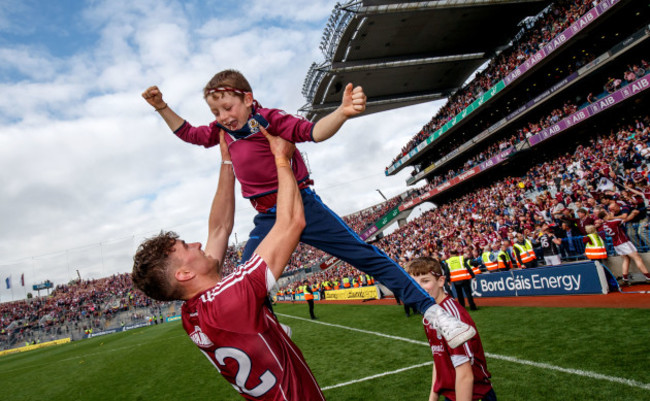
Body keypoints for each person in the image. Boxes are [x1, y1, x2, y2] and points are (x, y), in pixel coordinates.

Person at [142, 70, 475, 348]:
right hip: (267, 218)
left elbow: (311, 132)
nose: (223, 118)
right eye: (216, 113)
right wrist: (162, 107)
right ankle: (269, 329)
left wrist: (341, 113)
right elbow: (189, 134)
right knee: (244, 284)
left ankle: (433, 313)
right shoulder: (221, 133)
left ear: (247, 98)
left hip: (302, 204)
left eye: (228, 107)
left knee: (364, 256)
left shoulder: (270, 120)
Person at [132, 130, 325, 400]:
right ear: (185, 273)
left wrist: (227, 162)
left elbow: (220, 228)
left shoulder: (193, 313)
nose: (199, 244)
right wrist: (282, 159)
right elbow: (292, 221)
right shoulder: (230, 300)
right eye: (187, 247)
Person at [405, 257, 496, 401]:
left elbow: (465, 376)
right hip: (452, 394)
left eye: (425, 281)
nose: (420, 288)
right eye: (414, 284)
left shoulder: (450, 315)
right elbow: (439, 357)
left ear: (441, 281)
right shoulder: (431, 312)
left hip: (474, 394)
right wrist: (433, 397)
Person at [596, 209, 650, 284]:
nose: (610, 214)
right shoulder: (612, 222)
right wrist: (633, 213)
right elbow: (626, 219)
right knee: (637, 258)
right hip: (623, 242)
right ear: (605, 217)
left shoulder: (604, 224)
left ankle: (625, 278)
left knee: (626, 259)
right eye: (607, 214)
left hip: (616, 244)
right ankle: (648, 276)